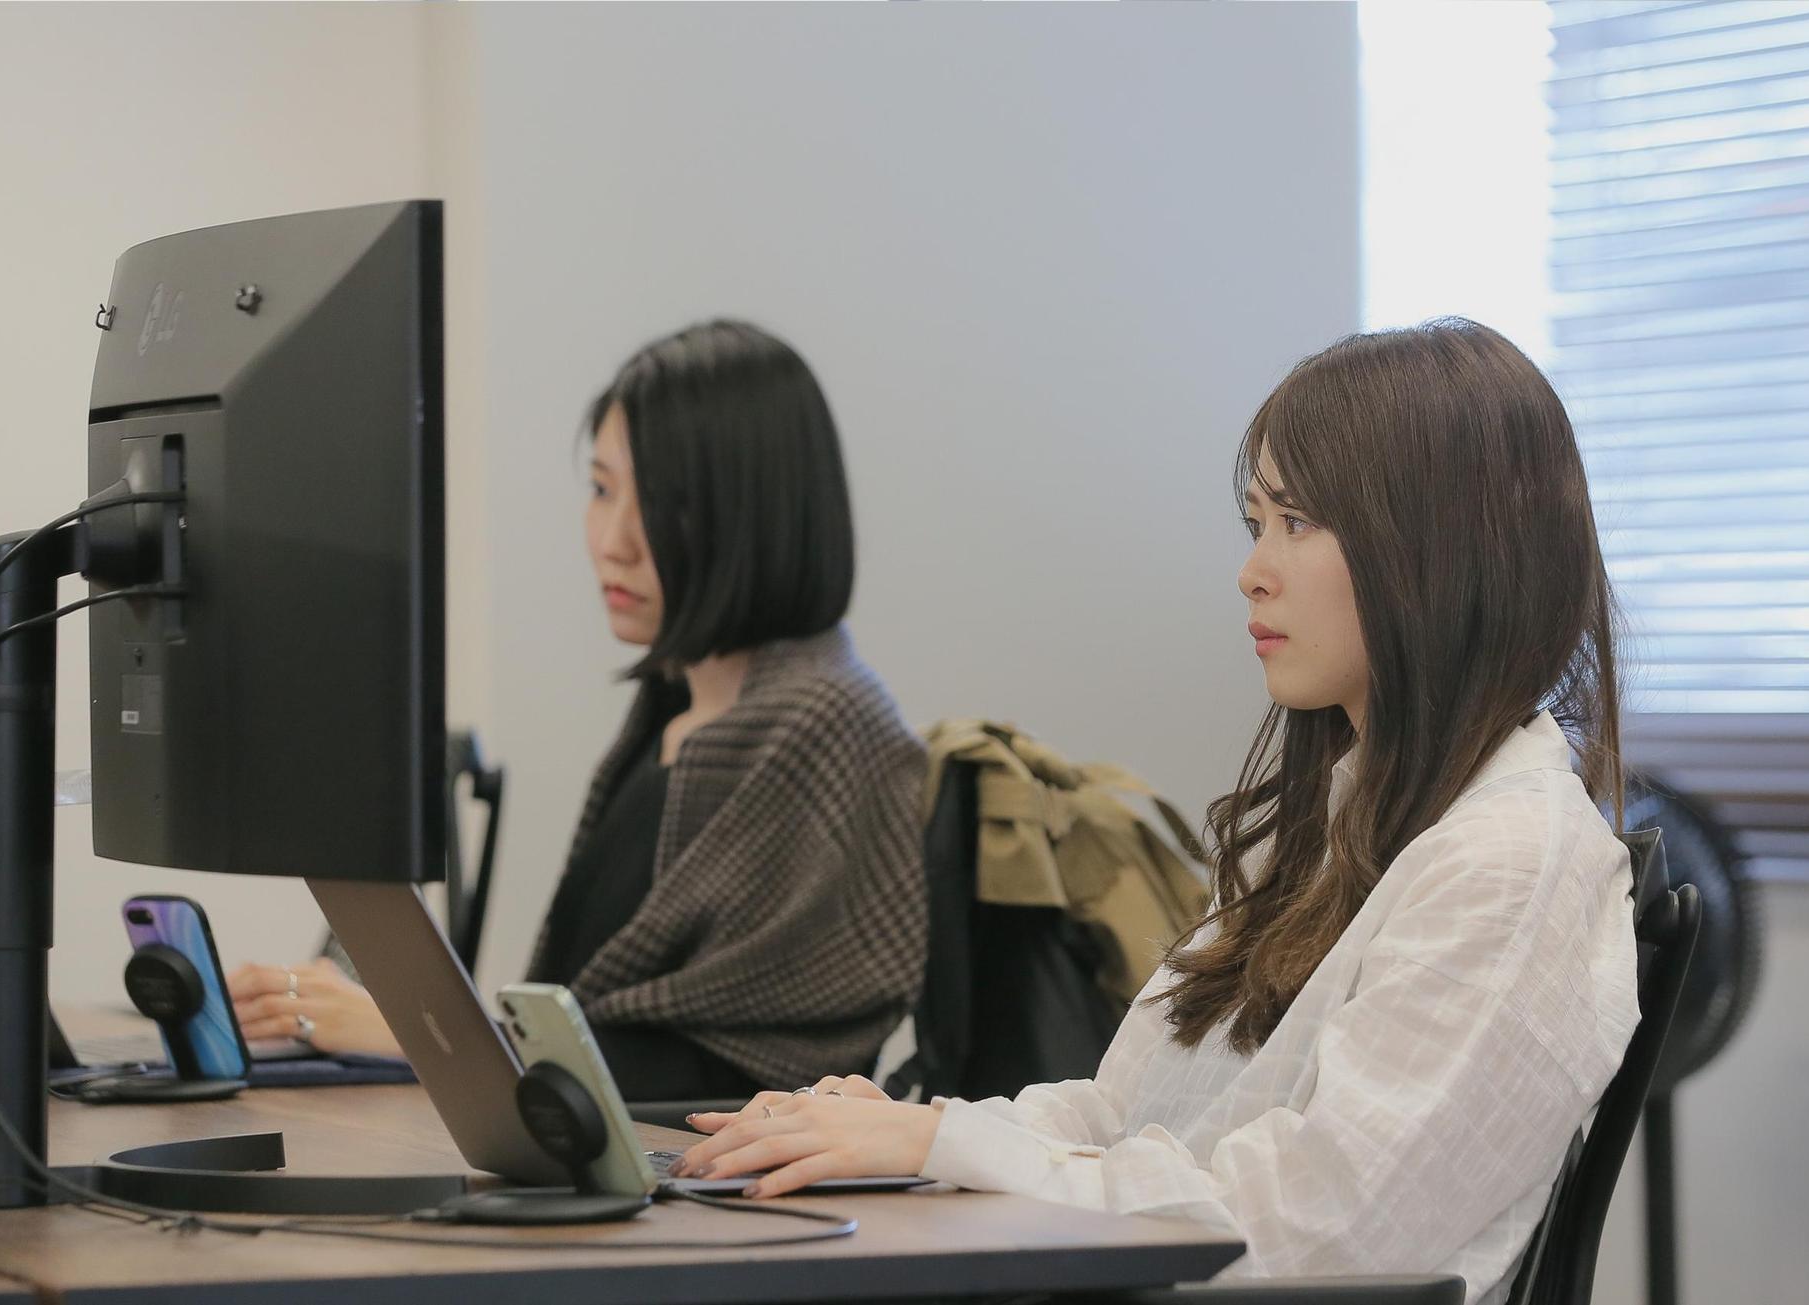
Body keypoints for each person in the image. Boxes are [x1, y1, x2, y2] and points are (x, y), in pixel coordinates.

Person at [673, 319, 1640, 1305]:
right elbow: (1118, 1116)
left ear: (1443, 548)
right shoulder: (1333, 827)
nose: (1252, 570)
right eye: (1257, 523)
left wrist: (940, 1144)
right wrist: (901, 1133)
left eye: (1298, 522)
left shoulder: (1511, 864)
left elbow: (1312, 1233)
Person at [229, 320, 929, 1100]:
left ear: (759, 514)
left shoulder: (829, 728)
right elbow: (591, 1021)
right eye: (601, 489)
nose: (613, 540)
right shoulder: (672, 713)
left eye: (660, 501)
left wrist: (416, 1032)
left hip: (697, 1171)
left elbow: (728, 1072)